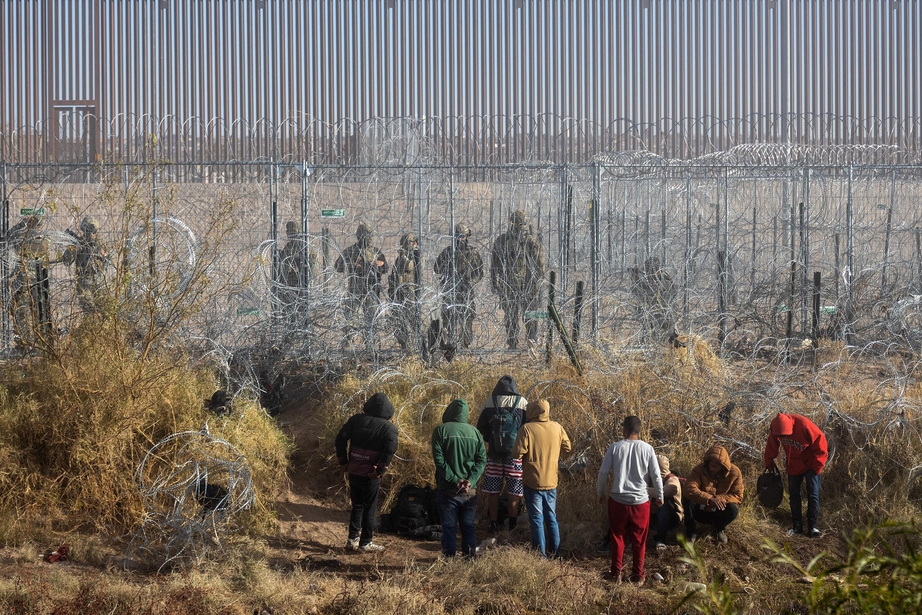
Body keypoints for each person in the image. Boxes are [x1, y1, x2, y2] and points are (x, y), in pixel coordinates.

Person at [596, 415, 663, 585]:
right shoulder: (647, 448)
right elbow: (656, 474)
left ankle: (616, 574)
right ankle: (638, 576)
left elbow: (603, 472)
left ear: (624, 429)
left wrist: (600, 492)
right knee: (639, 540)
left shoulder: (615, 447)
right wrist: (660, 495)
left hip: (618, 500)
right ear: (639, 430)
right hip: (640, 502)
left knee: (617, 537)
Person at [334, 392, 399, 552]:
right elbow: (389, 450)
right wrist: (381, 470)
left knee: (357, 505)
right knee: (370, 507)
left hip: (354, 469)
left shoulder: (356, 420)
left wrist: (343, 461)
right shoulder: (389, 428)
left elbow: (340, 439)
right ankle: (366, 542)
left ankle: (352, 539)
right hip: (371, 473)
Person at [511, 399, 571, 557]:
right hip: (551, 481)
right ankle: (556, 553)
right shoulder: (557, 427)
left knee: (537, 519)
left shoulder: (527, 429)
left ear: (532, 411)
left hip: (532, 481)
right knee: (551, 517)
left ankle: (541, 556)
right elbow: (568, 447)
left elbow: (516, 453)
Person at [431, 398, 487, 558]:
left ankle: (449, 558)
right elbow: (481, 460)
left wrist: (455, 480)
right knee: (468, 526)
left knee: (449, 527)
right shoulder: (475, 433)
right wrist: (471, 480)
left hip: (448, 489)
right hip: (470, 490)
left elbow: (439, 460)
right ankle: (470, 557)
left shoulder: (440, 430)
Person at [476, 375, 528, 533]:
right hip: (515, 457)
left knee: (493, 491)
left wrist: (492, 441)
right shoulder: (522, 402)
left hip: (494, 456)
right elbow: (527, 429)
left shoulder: (489, 401)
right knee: (514, 492)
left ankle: (493, 523)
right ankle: (512, 524)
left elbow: (481, 427)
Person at [764, 412, 828, 538]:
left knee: (813, 494)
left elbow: (821, 443)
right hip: (793, 463)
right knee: (794, 495)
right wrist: (769, 460)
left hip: (811, 464)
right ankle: (797, 527)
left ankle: (812, 527)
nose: (782, 438)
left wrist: (817, 465)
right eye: (780, 436)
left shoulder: (804, 424)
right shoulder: (776, 427)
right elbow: (772, 443)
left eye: (784, 436)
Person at [490, 210, 545, 350]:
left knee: (531, 314)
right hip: (509, 284)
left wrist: (536, 283)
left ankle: (532, 340)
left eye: (521, 224)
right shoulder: (502, 241)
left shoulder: (531, 242)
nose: (519, 227)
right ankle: (512, 342)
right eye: (516, 224)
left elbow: (540, 265)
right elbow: (494, 264)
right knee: (510, 315)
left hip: (528, 284)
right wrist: (494, 282)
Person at [334, 222, 388, 346]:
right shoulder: (351, 251)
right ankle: (347, 347)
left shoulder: (376, 252)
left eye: (371, 235)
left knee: (371, 322)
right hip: (355, 291)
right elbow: (338, 266)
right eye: (367, 235)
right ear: (360, 236)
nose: (369, 238)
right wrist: (352, 265)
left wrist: (377, 265)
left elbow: (385, 268)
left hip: (371, 291)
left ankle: (370, 348)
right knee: (352, 322)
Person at [434, 224, 484, 357]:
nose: (460, 239)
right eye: (457, 236)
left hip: (466, 291)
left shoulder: (472, 253)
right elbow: (436, 268)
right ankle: (450, 344)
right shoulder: (447, 252)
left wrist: (470, 281)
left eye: (462, 236)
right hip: (450, 291)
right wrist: (446, 274)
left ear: (466, 237)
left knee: (466, 318)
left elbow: (479, 272)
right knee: (449, 319)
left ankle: (465, 345)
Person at [683, 445, 744, 544]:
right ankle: (691, 533)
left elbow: (738, 496)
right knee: (688, 499)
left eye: (715, 466)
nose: (711, 468)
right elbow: (689, 488)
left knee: (732, 509)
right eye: (710, 465)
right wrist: (708, 499)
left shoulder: (735, 473)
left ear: (722, 466)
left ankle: (719, 529)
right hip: (700, 509)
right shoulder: (699, 470)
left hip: (719, 510)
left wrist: (717, 500)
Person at [6, 214, 51, 343]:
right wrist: (22, 225)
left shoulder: (43, 239)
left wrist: (23, 228)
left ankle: (39, 342)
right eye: (36, 225)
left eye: (39, 225)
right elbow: (8, 237)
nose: (38, 228)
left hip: (37, 280)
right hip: (23, 279)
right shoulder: (22, 237)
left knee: (38, 312)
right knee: (21, 312)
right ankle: (23, 343)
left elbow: (41, 248)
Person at [62, 216, 108, 313]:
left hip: (99, 282)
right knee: (89, 311)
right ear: (83, 230)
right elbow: (66, 261)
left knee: (104, 310)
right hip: (84, 283)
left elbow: (113, 259)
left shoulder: (101, 244)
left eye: (93, 232)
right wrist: (74, 251)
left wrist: (103, 255)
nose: (91, 234)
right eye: (88, 231)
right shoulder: (77, 243)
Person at [629, 256, 678, 343]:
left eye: (649, 271)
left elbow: (649, 295)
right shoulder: (653, 280)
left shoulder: (664, 281)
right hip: (657, 316)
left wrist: (637, 280)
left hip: (666, 317)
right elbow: (638, 293)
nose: (647, 274)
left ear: (655, 270)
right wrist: (635, 279)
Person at [277, 220, 317, 323]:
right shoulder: (288, 247)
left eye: (293, 232)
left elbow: (311, 269)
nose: (291, 235)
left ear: (298, 232)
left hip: (301, 289)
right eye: (289, 233)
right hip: (288, 289)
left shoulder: (306, 247)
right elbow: (282, 269)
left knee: (302, 317)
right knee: (289, 317)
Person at [388, 233, 420, 350]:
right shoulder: (401, 257)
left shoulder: (415, 257)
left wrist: (406, 256)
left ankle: (423, 341)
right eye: (407, 243)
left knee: (413, 318)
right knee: (398, 318)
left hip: (409, 293)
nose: (408, 245)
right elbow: (396, 274)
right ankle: (404, 345)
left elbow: (409, 267)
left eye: (411, 243)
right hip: (398, 292)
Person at [648, 454, 684, 549]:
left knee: (664, 501)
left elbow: (672, 489)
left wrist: (644, 491)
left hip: (672, 517)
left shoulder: (672, 479)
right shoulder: (650, 479)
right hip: (653, 516)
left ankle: (661, 539)